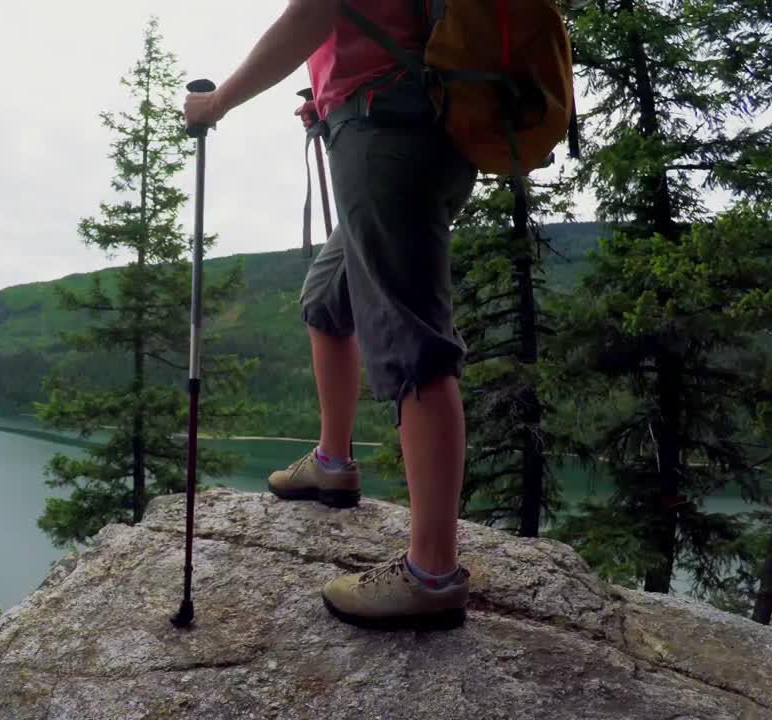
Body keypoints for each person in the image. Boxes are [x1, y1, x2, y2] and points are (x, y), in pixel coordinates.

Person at [184, 0, 477, 630]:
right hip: (403, 121)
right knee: (328, 297)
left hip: (385, 133)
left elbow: (310, 14)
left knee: (412, 341)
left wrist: (218, 103)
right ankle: (333, 463)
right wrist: (328, 97)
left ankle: (431, 574)